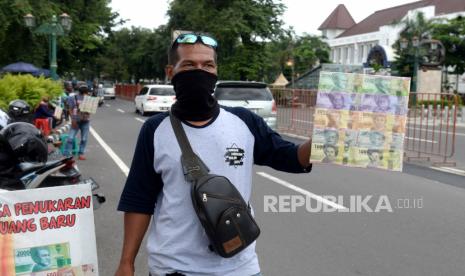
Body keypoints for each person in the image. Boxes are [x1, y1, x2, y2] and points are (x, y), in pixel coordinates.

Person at [115, 33, 313, 276]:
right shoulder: (155, 130)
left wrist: (328, 136)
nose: (200, 71)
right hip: (173, 268)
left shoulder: (244, 122)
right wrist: (126, 262)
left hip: (239, 268)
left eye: (208, 65)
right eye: (189, 65)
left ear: (216, 70)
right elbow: (139, 199)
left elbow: (293, 158)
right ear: (170, 71)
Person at [63, 85, 91, 160]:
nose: (87, 93)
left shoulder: (88, 99)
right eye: (86, 92)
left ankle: (81, 153)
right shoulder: (73, 98)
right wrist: (73, 120)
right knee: (70, 138)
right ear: (84, 92)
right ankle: (66, 154)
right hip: (76, 121)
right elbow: (70, 109)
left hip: (85, 121)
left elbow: (91, 110)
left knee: (84, 139)